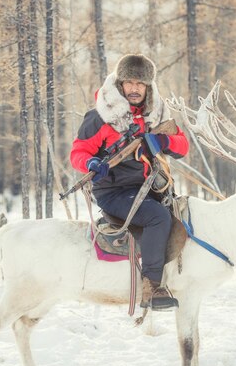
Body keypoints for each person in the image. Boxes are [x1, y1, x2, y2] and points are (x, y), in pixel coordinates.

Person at [70, 54, 189, 310]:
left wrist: (163, 142)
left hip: (151, 188)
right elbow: (78, 152)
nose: (135, 88)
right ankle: (152, 288)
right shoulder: (100, 117)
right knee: (158, 217)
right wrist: (91, 164)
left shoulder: (157, 115)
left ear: (148, 87)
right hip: (114, 191)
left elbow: (182, 145)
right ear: (120, 84)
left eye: (140, 84)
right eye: (130, 82)